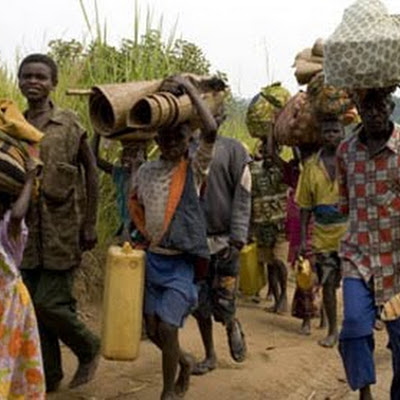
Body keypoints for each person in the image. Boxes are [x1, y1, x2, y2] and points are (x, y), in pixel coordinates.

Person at [129, 75, 218, 400]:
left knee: (167, 327)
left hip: (181, 265)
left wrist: (190, 89)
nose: (170, 143)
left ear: (188, 139)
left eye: (178, 136)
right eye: (164, 137)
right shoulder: (146, 171)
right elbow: (137, 208)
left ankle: (168, 392)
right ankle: (183, 361)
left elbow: (211, 131)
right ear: (157, 138)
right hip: (152, 260)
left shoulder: (193, 169)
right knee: (153, 330)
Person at [17, 54, 100, 392]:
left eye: (40, 77)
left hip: (63, 230)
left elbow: (91, 172)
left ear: (53, 83)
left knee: (49, 303)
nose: (33, 82)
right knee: (33, 309)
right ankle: (49, 375)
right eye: (27, 76)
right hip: (24, 235)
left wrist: (90, 223)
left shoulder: (69, 123)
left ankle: (88, 346)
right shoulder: (12, 125)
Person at [337, 87, 400, 400]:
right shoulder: (346, 151)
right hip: (358, 256)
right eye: (368, 107)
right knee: (353, 326)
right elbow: (344, 204)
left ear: (390, 105)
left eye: (380, 105)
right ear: (358, 109)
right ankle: (364, 392)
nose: (374, 113)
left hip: (397, 261)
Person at [191, 122, 252, 375]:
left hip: (226, 240)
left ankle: (230, 323)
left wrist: (238, 236)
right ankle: (209, 355)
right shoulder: (184, 150)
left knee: (225, 297)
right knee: (199, 302)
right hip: (195, 243)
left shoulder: (234, 150)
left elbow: (243, 194)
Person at [296, 114, 347, 347]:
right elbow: (305, 206)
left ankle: (359, 324)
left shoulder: (350, 161)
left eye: (335, 131)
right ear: (320, 135)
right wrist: (303, 239)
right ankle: (333, 330)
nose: (331, 136)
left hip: (350, 233)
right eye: (327, 132)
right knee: (327, 283)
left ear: (343, 133)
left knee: (355, 282)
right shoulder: (310, 167)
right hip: (323, 235)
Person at [0, 158, 45, 399]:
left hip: (8, 305)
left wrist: (29, 179)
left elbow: (18, 214)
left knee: (8, 359)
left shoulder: (12, 226)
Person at [250, 135, 289, 313]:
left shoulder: (283, 170)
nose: (267, 153)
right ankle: (277, 298)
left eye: (270, 149)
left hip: (280, 224)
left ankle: (284, 296)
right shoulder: (254, 170)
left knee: (280, 261)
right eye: (264, 149)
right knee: (269, 264)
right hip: (261, 225)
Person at [92, 135, 147, 242]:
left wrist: (136, 166)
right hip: (125, 225)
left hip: (139, 227)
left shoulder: (148, 174)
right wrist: (97, 134)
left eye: (134, 153)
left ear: (143, 156)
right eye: (125, 153)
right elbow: (94, 158)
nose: (127, 157)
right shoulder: (121, 174)